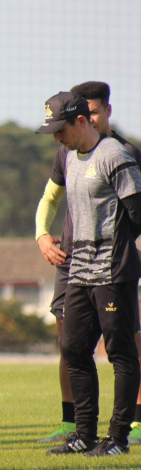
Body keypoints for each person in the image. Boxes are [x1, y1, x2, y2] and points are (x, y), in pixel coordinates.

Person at [35, 81, 141, 444]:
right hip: (78, 271)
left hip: (113, 271)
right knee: (74, 349)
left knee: (120, 352)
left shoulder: (115, 155)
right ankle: (84, 434)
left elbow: (137, 215)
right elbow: (53, 201)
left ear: (82, 121)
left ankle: (118, 437)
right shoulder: (67, 157)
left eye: (60, 131)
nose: (56, 139)